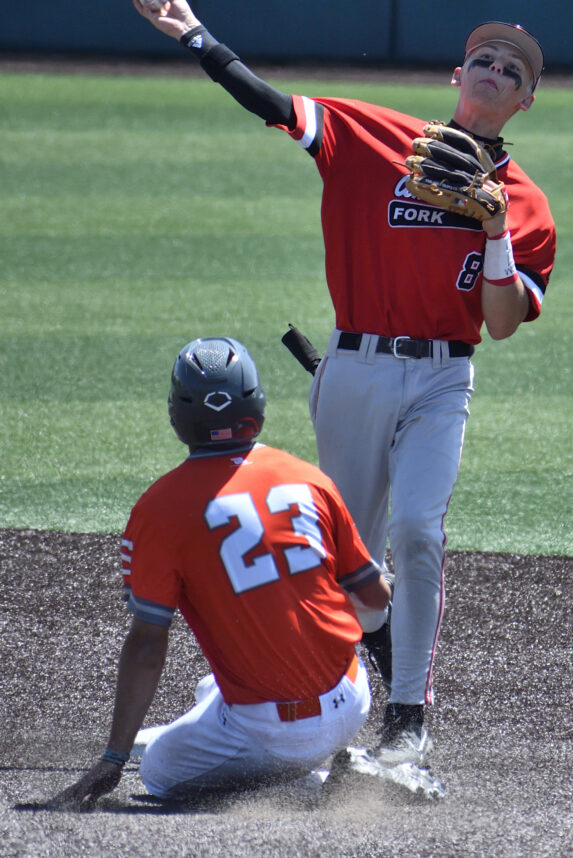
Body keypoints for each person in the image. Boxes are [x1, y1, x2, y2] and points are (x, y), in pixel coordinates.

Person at [132, 0, 557, 763]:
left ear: (526, 100)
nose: (496, 69)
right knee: (353, 563)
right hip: (354, 370)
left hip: (441, 380)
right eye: (483, 59)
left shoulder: (528, 208)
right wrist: (193, 32)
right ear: (455, 79)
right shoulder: (372, 135)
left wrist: (494, 226)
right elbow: (271, 104)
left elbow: (500, 325)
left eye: (514, 70)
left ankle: (408, 719)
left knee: (419, 533)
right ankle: (321, 700)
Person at [49, 337, 390, 808]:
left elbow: (148, 643)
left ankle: (304, 783)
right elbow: (375, 599)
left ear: (178, 414)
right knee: (211, 687)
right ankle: (310, 755)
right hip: (352, 700)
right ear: (256, 404)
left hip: (273, 732)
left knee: (158, 770)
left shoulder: (159, 507)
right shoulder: (308, 478)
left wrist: (113, 756)